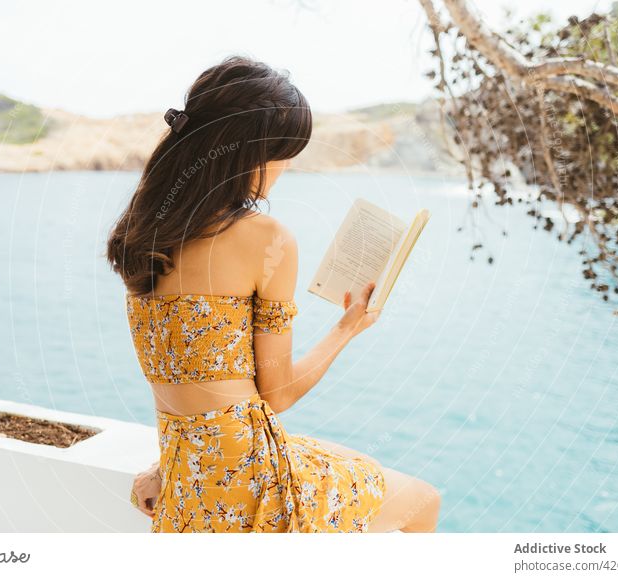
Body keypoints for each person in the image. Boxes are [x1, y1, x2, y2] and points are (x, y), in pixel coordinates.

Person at [106, 55, 440, 533]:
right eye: (283, 153)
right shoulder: (266, 238)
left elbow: (185, 376)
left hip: (190, 471)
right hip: (249, 477)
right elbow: (277, 394)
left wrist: (168, 469)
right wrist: (349, 326)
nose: (285, 167)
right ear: (250, 154)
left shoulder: (144, 236)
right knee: (422, 502)